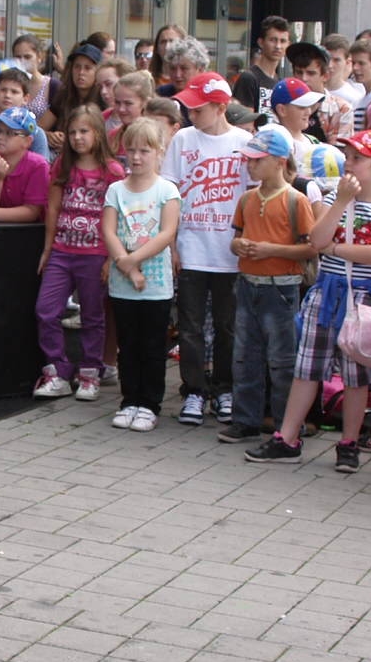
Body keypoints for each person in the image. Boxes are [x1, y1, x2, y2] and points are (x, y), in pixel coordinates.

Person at [245, 129, 371, 470]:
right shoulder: (335, 197)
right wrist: (342, 203)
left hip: (365, 298)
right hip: (327, 290)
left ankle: (349, 442)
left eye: (358, 159)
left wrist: (337, 249)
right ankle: (286, 438)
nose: (350, 163)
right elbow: (316, 239)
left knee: (356, 374)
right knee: (307, 367)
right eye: (348, 156)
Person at [166, 73, 247, 428]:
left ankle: (224, 388)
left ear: (221, 107)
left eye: (198, 109)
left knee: (229, 326)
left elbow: (253, 197)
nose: (191, 114)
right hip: (192, 247)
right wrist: (171, 244)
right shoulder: (183, 139)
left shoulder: (245, 142)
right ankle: (195, 390)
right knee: (190, 326)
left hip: (228, 252)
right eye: (189, 107)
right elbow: (170, 194)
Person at [225, 127, 314, 444]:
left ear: (278, 161)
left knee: (281, 360)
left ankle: (286, 424)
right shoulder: (248, 198)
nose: (250, 165)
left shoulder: (296, 200)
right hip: (249, 284)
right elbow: (236, 238)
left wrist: (270, 250)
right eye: (248, 160)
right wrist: (240, 247)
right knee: (245, 355)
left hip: (281, 288)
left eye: (256, 160)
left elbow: (310, 248)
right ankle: (245, 419)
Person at [32, 106, 118, 401]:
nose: (78, 138)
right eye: (72, 132)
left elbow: (116, 216)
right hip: (62, 251)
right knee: (46, 310)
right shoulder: (62, 167)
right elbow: (53, 208)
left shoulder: (112, 171)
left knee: (93, 315)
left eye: (84, 132)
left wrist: (110, 258)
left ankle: (90, 372)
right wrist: (47, 249)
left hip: (95, 253)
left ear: (97, 133)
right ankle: (57, 369)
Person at [103, 115, 181, 431]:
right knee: (128, 344)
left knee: (151, 345)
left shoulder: (167, 191)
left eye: (144, 151)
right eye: (131, 150)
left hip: (156, 285)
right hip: (122, 285)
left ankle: (149, 403)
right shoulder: (115, 190)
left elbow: (166, 233)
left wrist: (132, 262)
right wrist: (125, 264)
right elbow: (109, 230)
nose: (136, 157)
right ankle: (129, 400)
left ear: (159, 152)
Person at [234, 16, 292, 110]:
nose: (278, 46)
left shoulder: (281, 83)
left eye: (283, 41)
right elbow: (244, 120)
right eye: (273, 40)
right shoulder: (249, 78)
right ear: (261, 42)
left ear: (288, 45)